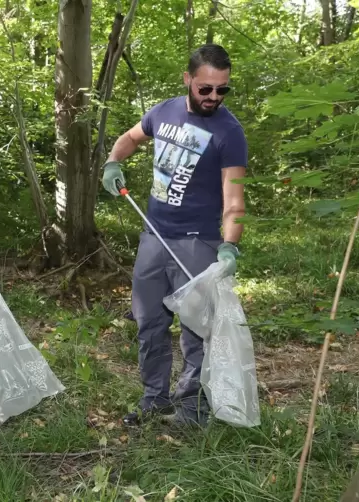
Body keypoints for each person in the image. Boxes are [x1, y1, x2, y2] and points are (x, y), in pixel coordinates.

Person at [101, 44, 247, 427]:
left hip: (197, 242)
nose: (214, 97)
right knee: (149, 323)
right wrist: (114, 162)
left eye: (222, 90)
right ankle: (155, 399)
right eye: (205, 89)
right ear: (188, 80)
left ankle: (191, 410)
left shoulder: (229, 132)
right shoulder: (162, 111)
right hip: (153, 237)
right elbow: (130, 138)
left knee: (196, 330)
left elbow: (234, 200)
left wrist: (229, 244)